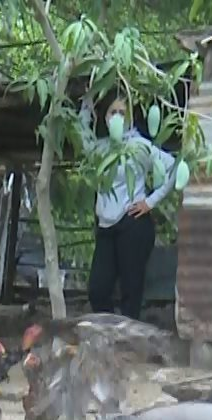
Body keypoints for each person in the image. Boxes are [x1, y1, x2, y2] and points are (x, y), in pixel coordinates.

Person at [81, 94, 178, 320]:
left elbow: (173, 167)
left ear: (131, 119)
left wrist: (150, 202)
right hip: (106, 226)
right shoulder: (101, 149)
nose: (116, 117)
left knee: (131, 292)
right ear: (104, 117)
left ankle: (128, 344)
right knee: (98, 289)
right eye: (112, 112)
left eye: (122, 113)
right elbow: (81, 135)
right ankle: (109, 333)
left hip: (133, 223)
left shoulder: (139, 145)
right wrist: (87, 101)